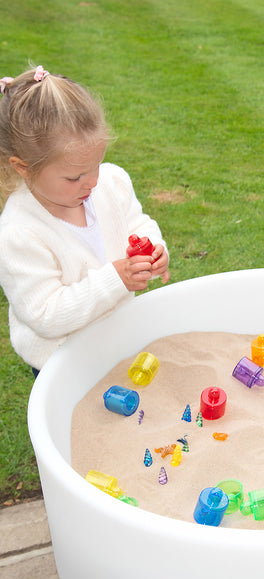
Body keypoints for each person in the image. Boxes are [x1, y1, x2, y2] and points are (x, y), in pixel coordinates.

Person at [0, 65, 170, 374]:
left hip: (116, 335)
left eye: (97, 164)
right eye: (75, 176)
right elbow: (46, 316)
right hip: (62, 359)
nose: (91, 182)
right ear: (23, 167)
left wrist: (154, 249)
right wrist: (116, 279)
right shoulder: (19, 232)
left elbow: (137, 224)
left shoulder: (111, 183)